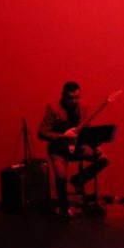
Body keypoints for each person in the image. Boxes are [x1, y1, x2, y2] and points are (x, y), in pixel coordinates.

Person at [38, 81, 109, 219]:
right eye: (71, 98)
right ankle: (63, 208)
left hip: (77, 147)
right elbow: (41, 133)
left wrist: (95, 146)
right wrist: (62, 136)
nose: (74, 101)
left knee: (103, 159)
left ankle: (78, 180)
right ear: (63, 96)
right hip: (59, 148)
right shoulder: (53, 108)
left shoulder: (83, 107)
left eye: (77, 97)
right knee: (61, 177)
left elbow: (86, 130)